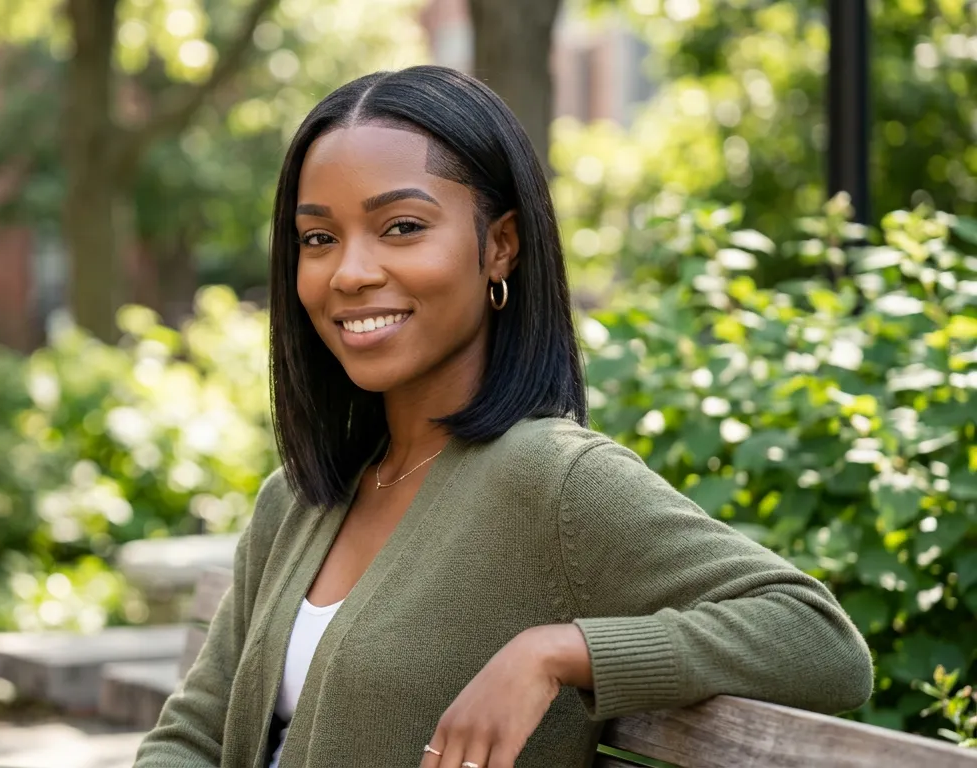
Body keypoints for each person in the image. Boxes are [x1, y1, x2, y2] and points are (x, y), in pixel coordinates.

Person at [134, 67, 872, 768]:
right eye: (319, 238)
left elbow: (820, 642)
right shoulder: (297, 500)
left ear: (501, 247)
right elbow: (193, 735)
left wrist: (554, 653)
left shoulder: (550, 480)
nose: (350, 272)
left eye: (400, 227)